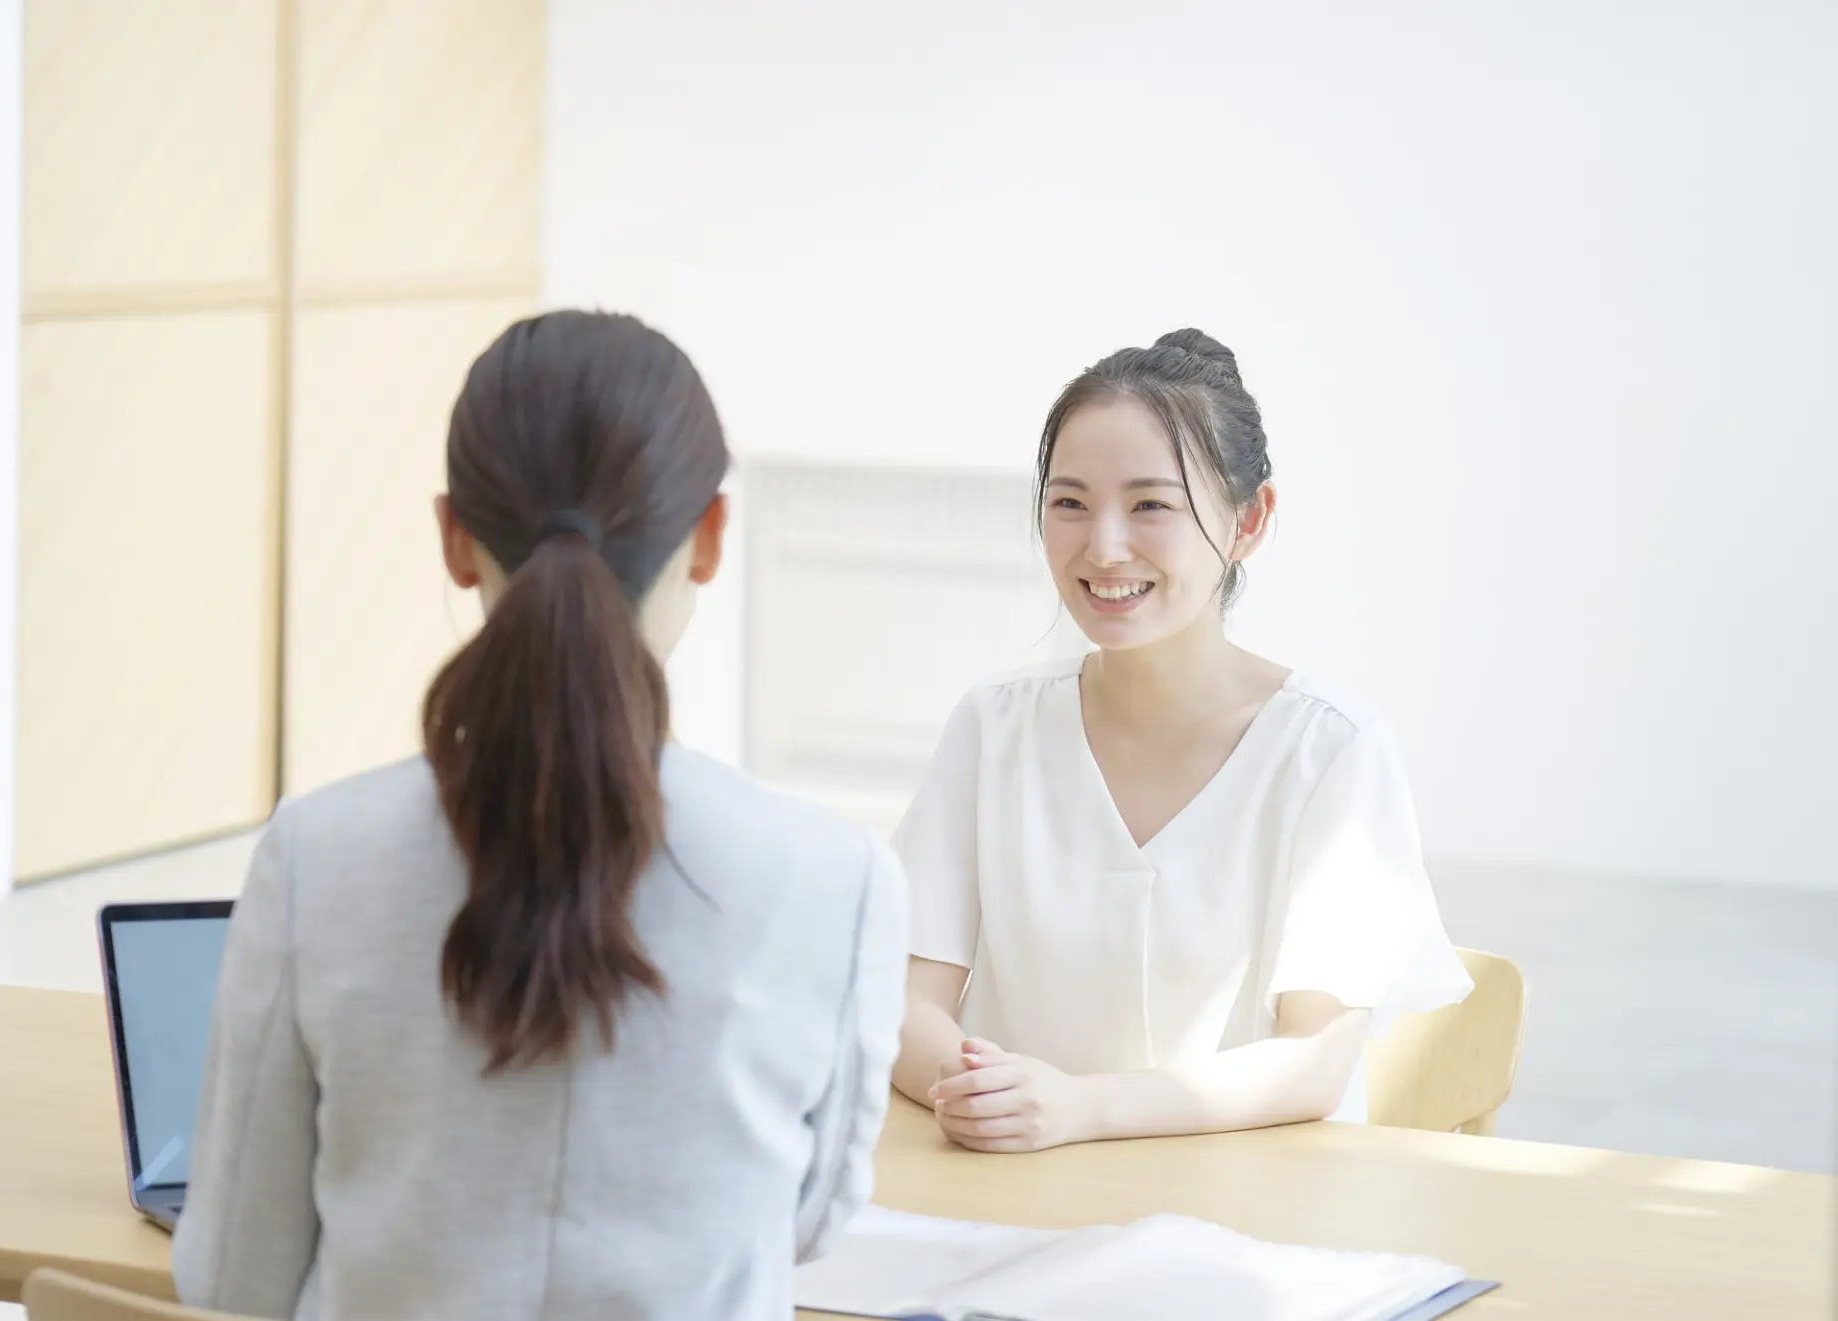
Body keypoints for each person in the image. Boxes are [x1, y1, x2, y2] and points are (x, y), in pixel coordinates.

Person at [174, 311, 908, 1320]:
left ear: (453, 536)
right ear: (708, 537)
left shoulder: (316, 854)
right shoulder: (838, 875)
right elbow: (806, 1221)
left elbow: (231, 1275)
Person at [889, 328, 1470, 1153]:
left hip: (1242, 1225)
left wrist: (1077, 1109)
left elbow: (1313, 1059)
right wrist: (993, 1095)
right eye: (1070, 502)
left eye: (1152, 504)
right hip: (1011, 1197)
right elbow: (904, 1003)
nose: (1104, 546)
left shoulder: (1330, 748)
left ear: (1249, 520)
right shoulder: (996, 725)